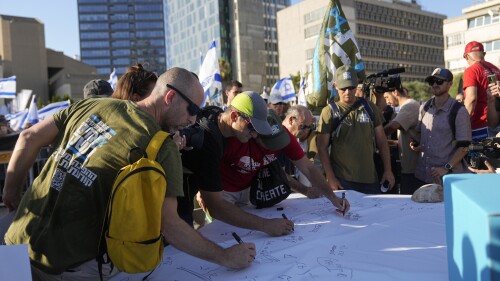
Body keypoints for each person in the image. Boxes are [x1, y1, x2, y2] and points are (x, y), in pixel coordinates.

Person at [2, 67, 255, 280]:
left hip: (15, 242)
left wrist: (10, 191)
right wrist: (225, 257)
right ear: (169, 97)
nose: (193, 120)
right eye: (192, 110)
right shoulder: (161, 145)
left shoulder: (91, 104)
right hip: (68, 266)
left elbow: (29, 137)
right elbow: (170, 225)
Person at [178, 91, 295, 236]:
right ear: (234, 116)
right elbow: (216, 206)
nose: (255, 136)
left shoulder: (216, 115)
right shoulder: (209, 142)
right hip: (176, 198)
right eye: (252, 128)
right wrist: (266, 225)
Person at [219, 109, 349, 212]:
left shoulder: (284, 136)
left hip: (250, 189)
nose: (275, 147)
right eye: (270, 143)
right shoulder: (237, 138)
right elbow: (211, 164)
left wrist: (333, 197)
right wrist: (206, 192)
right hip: (224, 190)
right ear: (254, 134)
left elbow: (308, 168)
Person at [317, 65, 395, 194]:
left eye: (351, 87)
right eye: (343, 88)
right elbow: (321, 147)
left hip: (370, 179)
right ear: (335, 86)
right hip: (342, 180)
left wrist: (388, 170)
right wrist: (330, 177)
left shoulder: (370, 107)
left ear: (357, 83)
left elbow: (382, 141)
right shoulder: (328, 111)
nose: (347, 92)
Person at [411, 68, 472, 186]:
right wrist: (415, 143)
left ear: (450, 84)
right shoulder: (425, 107)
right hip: (423, 176)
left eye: (439, 81)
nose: (435, 84)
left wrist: (446, 167)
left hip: (448, 179)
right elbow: (419, 135)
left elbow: (464, 147)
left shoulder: (458, 111)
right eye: (432, 81)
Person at [383, 87, 421, 194]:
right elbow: (404, 139)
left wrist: (377, 137)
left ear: (395, 92)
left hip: (412, 170)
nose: (386, 101)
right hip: (407, 168)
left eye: (387, 97)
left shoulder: (410, 105)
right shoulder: (403, 107)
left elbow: (394, 126)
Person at [462, 41, 500, 141]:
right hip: (496, 125)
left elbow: (471, 99)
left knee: (479, 156)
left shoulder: (471, 70)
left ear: (466, 56)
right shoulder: (496, 69)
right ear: (484, 54)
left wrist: (461, 123)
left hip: (479, 126)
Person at [281, 105, 320, 188]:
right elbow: (279, 174)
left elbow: (309, 168)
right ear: (291, 120)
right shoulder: (278, 138)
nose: (306, 131)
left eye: (309, 127)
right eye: (303, 126)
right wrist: (305, 191)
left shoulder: (292, 139)